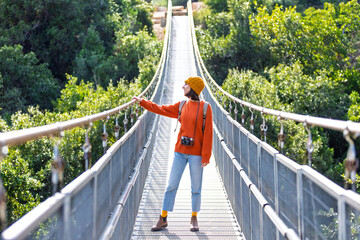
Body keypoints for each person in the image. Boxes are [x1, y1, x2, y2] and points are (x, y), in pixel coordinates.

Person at [132, 76, 213, 232]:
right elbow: (161, 109)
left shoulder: (205, 108)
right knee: (171, 185)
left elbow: (208, 133)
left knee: (196, 187)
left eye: (186, 85)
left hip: (196, 154)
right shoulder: (182, 105)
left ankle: (194, 217)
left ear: (193, 88)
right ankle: (163, 218)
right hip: (180, 152)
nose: (183, 87)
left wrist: (206, 156)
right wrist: (142, 102)